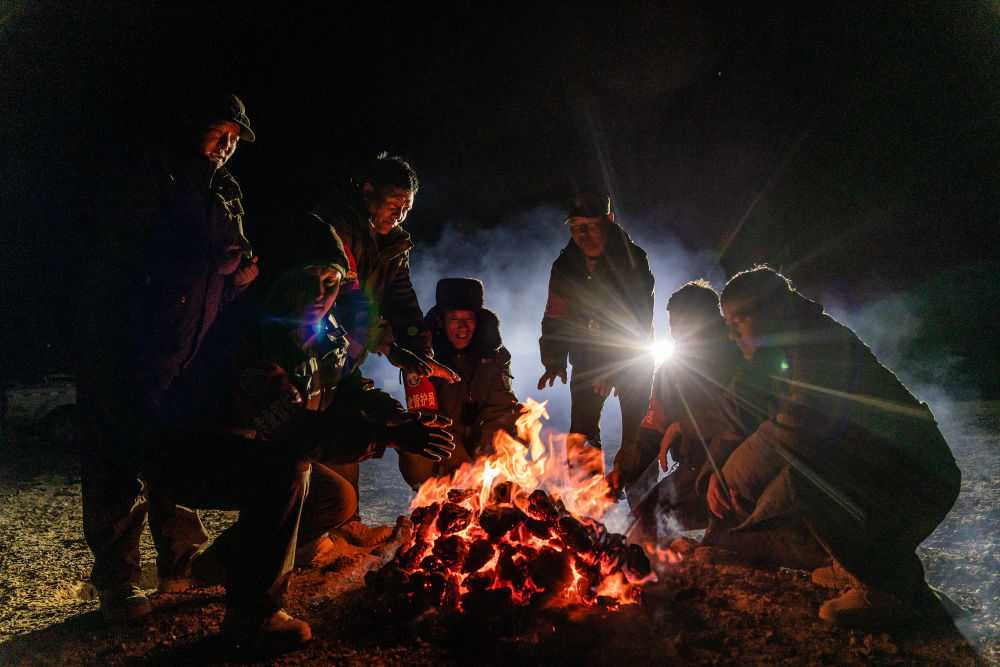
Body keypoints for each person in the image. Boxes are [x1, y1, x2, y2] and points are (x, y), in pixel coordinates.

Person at [152, 238, 453, 650]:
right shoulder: (252, 333)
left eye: (330, 281)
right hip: (190, 453)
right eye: (308, 279)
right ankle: (252, 615)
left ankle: (223, 565)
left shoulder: (318, 325)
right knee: (286, 468)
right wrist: (386, 438)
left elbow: (348, 384)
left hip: (253, 445)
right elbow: (297, 432)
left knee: (335, 500)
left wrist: (392, 414)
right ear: (282, 278)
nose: (320, 293)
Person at [77, 92, 260, 622]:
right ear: (194, 126)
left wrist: (237, 278)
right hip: (128, 340)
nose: (225, 147)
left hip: (188, 344)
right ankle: (117, 582)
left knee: (176, 448)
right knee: (119, 458)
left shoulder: (225, 191)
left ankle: (180, 560)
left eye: (232, 141)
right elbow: (125, 256)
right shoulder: (151, 175)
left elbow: (219, 275)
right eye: (218, 133)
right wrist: (207, 259)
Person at [705, 265, 961, 629]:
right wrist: (724, 472)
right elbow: (761, 427)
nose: (731, 334)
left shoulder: (818, 346)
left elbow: (791, 431)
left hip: (919, 481)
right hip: (895, 474)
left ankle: (891, 590)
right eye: (727, 322)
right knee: (782, 488)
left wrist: (731, 477)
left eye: (740, 319)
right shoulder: (786, 348)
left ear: (774, 310)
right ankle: (864, 568)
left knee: (802, 483)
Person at [309, 153, 456, 545]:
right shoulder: (335, 227)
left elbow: (402, 299)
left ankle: (342, 525)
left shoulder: (392, 242)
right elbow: (350, 300)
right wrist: (389, 346)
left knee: (345, 418)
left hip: (348, 352)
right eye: (394, 202)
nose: (400, 213)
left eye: (406, 207)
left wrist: (421, 353)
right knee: (326, 429)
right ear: (368, 190)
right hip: (315, 344)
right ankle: (326, 528)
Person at [605, 280, 744, 540]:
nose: (681, 336)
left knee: (729, 535)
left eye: (688, 326)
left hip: (733, 466)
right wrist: (623, 467)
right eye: (674, 328)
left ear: (712, 322)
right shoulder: (670, 372)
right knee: (637, 527)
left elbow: (739, 423)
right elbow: (651, 429)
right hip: (692, 470)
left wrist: (684, 428)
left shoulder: (743, 357)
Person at [537, 192, 655, 478]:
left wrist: (613, 365)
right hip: (587, 357)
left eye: (589, 226)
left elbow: (637, 316)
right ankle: (587, 510)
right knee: (581, 437)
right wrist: (554, 360)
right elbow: (556, 314)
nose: (582, 234)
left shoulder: (632, 260)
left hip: (632, 357)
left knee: (636, 438)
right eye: (576, 227)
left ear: (609, 221)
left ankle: (645, 511)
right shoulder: (565, 266)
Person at [398, 278, 520, 489]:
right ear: (440, 321)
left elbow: (500, 411)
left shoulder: (495, 356)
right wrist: (460, 466)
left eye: (470, 318)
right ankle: (430, 492)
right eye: (454, 318)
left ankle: (490, 491)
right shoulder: (422, 359)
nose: (463, 326)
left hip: (479, 444)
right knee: (415, 430)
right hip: (440, 449)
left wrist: (483, 464)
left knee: (518, 416)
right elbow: (427, 416)